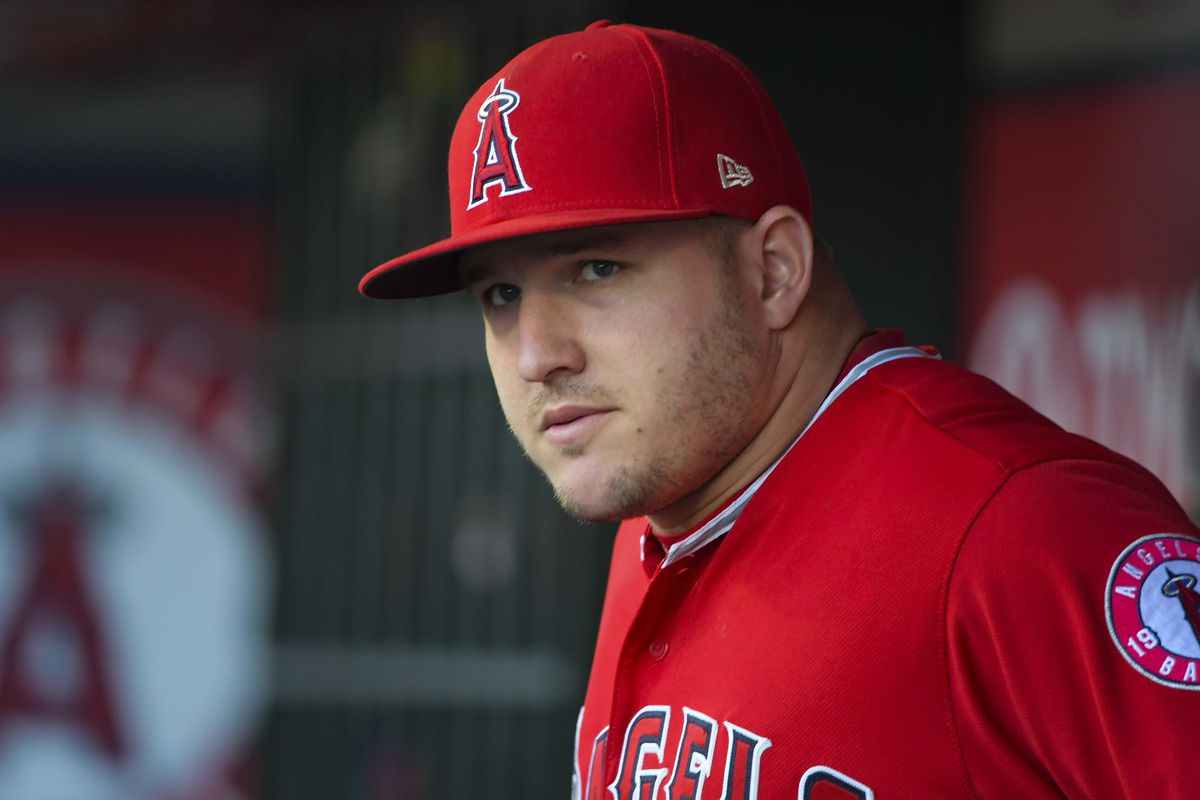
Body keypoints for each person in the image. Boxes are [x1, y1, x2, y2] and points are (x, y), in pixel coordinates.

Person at [359, 21, 1199, 799]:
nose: (538, 354)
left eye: (596, 269)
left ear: (774, 270)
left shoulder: (1023, 531)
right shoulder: (664, 514)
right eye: (501, 294)